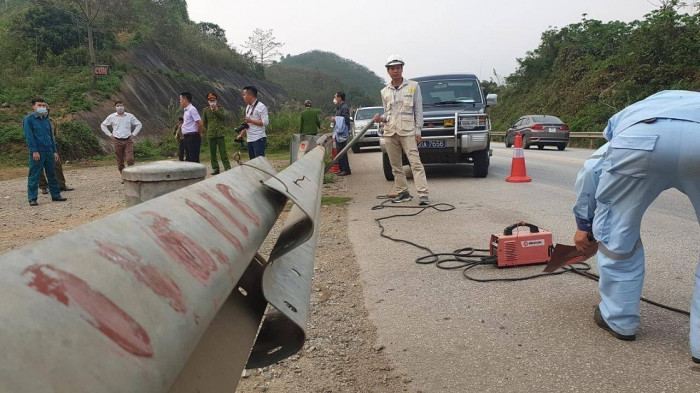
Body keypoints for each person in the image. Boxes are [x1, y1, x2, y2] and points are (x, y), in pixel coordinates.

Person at [571, 90, 700, 364]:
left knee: (618, 231)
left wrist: (585, 224)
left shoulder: (637, 113)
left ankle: (619, 320)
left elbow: (592, 169)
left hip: (640, 140)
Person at [373, 54, 429, 205]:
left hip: (408, 131)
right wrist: (381, 118)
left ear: (402, 69)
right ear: (388, 71)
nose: (395, 71)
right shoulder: (384, 91)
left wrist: (418, 130)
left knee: (415, 163)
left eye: (398, 68)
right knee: (396, 165)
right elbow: (387, 113)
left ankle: (423, 194)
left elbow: (418, 110)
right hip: (390, 132)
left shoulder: (413, 86)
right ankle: (403, 192)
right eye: (392, 68)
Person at [22, 98, 67, 206]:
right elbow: (29, 137)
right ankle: (32, 198)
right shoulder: (29, 120)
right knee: (34, 175)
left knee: (52, 174)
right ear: (33, 107)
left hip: (49, 151)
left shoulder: (47, 120)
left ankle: (56, 195)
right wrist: (34, 151)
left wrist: (54, 151)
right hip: (38, 152)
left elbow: (51, 137)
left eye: (43, 105)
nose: (42, 107)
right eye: (39, 105)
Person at [100, 100, 143, 173]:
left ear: (124, 106)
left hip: (128, 140)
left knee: (130, 159)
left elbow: (139, 124)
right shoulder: (111, 117)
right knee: (120, 161)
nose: (120, 107)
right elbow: (103, 125)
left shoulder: (130, 116)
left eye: (121, 105)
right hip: (117, 140)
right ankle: (123, 176)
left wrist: (133, 134)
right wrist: (110, 135)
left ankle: (131, 175)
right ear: (115, 107)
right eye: (118, 106)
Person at [39, 108, 74, 194]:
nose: (45, 111)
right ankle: (44, 187)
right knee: (39, 167)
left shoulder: (52, 121)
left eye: (47, 109)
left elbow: (55, 135)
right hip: (38, 147)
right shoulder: (34, 121)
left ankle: (61, 185)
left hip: (51, 147)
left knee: (57, 165)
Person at [202, 92, 231, 175]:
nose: (212, 101)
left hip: (220, 133)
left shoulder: (220, 108)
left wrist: (216, 110)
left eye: (213, 100)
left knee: (223, 152)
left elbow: (223, 117)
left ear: (216, 100)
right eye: (210, 100)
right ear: (208, 101)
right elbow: (204, 123)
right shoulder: (205, 110)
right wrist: (209, 130)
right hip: (211, 134)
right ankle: (215, 168)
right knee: (212, 153)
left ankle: (227, 167)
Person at [237, 86, 269, 159]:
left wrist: (251, 121)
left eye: (244, 94)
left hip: (259, 138)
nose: (243, 97)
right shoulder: (248, 107)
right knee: (253, 161)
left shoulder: (261, 107)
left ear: (250, 95)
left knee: (260, 161)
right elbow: (247, 123)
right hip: (250, 138)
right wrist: (241, 134)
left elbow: (265, 122)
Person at [330, 92, 351, 176]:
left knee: (342, 152)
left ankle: (346, 169)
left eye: (335, 97)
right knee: (339, 152)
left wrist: (335, 119)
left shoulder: (344, 107)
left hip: (342, 133)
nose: (334, 99)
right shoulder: (340, 107)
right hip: (338, 132)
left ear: (339, 98)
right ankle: (342, 168)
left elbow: (346, 119)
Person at [179, 91, 203, 163]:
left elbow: (199, 123)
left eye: (180, 99)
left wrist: (200, 134)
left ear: (185, 100)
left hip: (193, 137)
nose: (180, 101)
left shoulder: (192, 109)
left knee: (193, 158)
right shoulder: (186, 110)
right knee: (189, 158)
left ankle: (197, 174)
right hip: (187, 137)